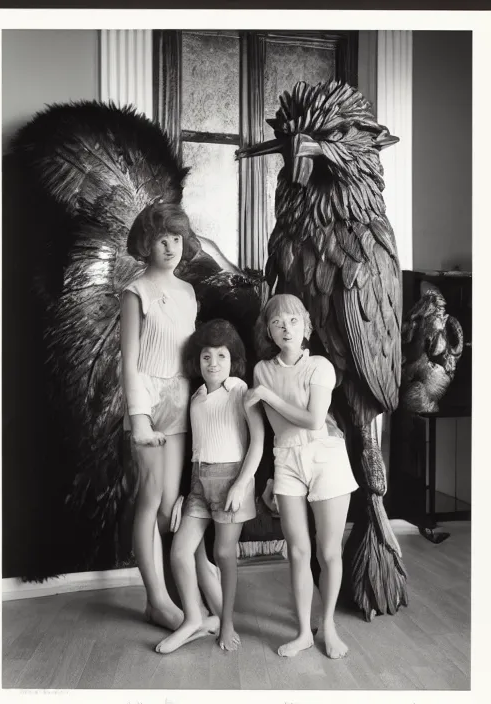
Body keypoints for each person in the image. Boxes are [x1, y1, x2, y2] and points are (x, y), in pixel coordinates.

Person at [120, 200, 221, 638]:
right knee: (149, 496)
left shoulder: (188, 292)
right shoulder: (135, 291)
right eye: (161, 238)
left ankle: (185, 594)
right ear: (146, 243)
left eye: (176, 238)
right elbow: (128, 363)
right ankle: (158, 601)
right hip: (147, 398)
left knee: (169, 505)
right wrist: (139, 418)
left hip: (180, 399)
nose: (170, 246)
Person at [245, 294, 358, 660]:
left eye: (293, 321)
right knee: (296, 551)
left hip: (325, 456)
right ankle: (302, 632)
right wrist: (272, 397)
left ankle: (327, 628)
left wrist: (266, 397)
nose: (286, 328)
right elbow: (280, 428)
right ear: (269, 331)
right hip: (286, 459)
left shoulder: (320, 367)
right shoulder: (263, 370)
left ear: (305, 326)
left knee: (327, 550)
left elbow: (312, 421)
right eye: (277, 323)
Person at [156, 319, 265, 654]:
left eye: (221, 356)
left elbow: (258, 442)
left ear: (233, 360)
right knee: (179, 552)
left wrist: (240, 486)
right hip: (199, 484)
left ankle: (227, 623)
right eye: (206, 356)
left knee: (222, 553)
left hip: (233, 480)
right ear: (197, 360)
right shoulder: (197, 398)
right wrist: (184, 495)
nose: (213, 363)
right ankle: (193, 618)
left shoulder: (241, 391)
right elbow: (195, 451)